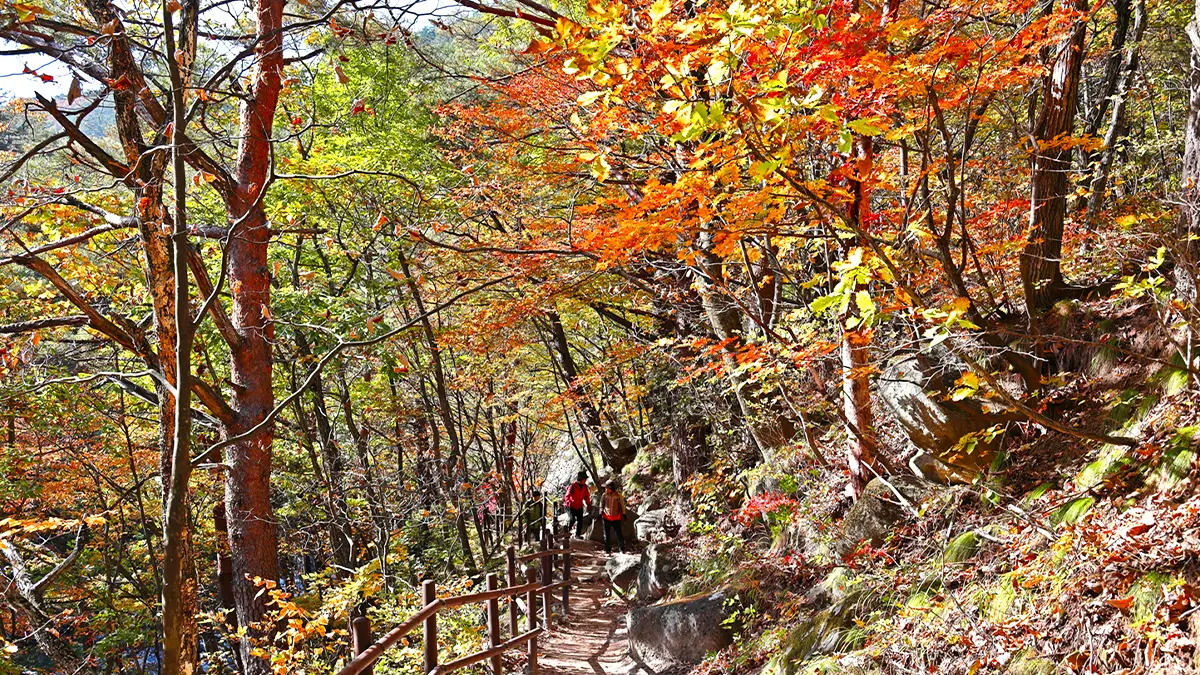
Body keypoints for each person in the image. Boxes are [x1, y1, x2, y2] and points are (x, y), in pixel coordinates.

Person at [600, 480, 627, 554]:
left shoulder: (618, 496)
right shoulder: (604, 495)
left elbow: (622, 505)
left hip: (616, 518)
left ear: (611, 488)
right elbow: (601, 504)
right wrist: (601, 512)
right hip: (606, 517)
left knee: (619, 534)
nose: (606, 490)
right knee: (606, 534)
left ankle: (622, 549)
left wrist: (624, 514)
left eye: (607, 488)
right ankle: (607, 550)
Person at [563, 471, 591, 538]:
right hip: (571, 506)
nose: (586, 480)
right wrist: (569, 503)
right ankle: (567, 533)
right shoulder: (572, 486)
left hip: (579, 506)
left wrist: (588, 504)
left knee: (580, 521)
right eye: (585, 479)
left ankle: (577, 535)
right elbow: (567, 496)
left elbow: (586, 496)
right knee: (572, 520)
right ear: (581, 479)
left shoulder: (585, 487)